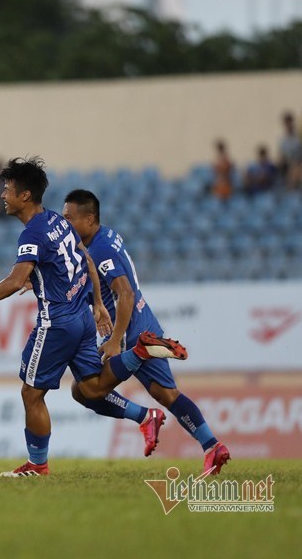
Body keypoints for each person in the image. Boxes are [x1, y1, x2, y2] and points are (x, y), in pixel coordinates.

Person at [0, 157, 185, 478]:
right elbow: (86, 260)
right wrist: (98, 305)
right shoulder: (59, 222)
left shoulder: (32, 234)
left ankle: (37, 466)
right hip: (82, 318)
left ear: (25, 196)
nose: (2, 196)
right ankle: (144, 402)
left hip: (57, 322)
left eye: (7, 190)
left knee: (31, 394)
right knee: (91, 389)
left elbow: (16, 280)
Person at [62, 189, 230, 476]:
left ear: (89, 219)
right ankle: (212, 447)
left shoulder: (99, 249)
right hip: (144, 319)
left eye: (69, 218)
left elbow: (124, 293)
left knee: (87, 389)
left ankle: (143, 401)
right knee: (167, 394)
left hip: (129, 328)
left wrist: (116, 340)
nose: (65, 224)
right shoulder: (103, 237)